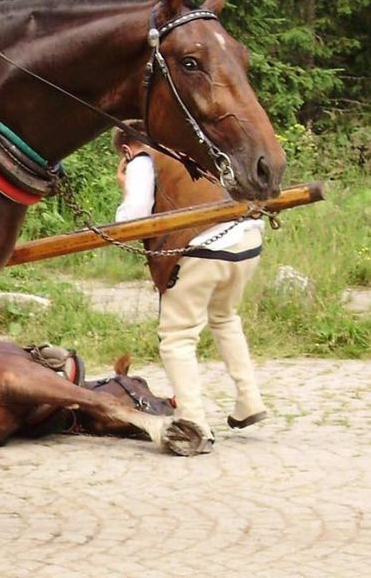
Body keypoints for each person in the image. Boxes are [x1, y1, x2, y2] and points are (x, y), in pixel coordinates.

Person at [113, 121, 268, 455]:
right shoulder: (199, 147)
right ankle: (249, 399)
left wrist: (125, 186)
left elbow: (132, 220)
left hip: (205, 248)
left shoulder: (143, 159)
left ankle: (194, 422)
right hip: (248, 240)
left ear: (126, 148)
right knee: (225, 317)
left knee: (177, 336)